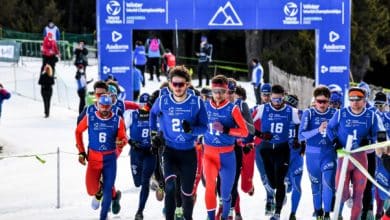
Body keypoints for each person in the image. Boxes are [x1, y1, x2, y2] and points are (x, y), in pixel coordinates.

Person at [149, 65, 208, 220]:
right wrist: (154, 134)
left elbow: (205, 128)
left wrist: (192, 130)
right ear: (170, 84)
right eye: (174, 84)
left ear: (187, 84)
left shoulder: (196, 102)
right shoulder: (163, 101)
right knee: (170, 187)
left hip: (188, 153)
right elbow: (152, 114)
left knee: (187, 194)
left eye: (181, 84)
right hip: (170, 151)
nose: (177, 87)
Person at [327, 87, 383, 220]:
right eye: (352, 99)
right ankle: (347, 197)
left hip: (361, 158)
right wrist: (335, 141)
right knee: (341, 191)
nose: (355, 102)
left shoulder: (371, 115)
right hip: (344, 156)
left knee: (359, 195)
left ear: (364, 101)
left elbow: (380, 135)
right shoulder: (341, 113)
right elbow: (330, 127)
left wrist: (370, 141)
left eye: (358, 99)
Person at [75, 94, 127, 220]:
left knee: (108, 189)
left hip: (110, 159)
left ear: (111, 106)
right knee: (91, 190)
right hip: (94, 159)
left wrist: (121, 142)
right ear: (97, 105)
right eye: (102, 106)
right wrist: (81, 152)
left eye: (107, 106)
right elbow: (78, 131)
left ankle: (103, 216)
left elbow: (124, 137)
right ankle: (98, 192)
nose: (104, 109)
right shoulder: (90, 117)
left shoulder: (117, 120)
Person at [252, 84, 301, 220]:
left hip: (282, 149)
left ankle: (277, 213)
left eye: (279, 100)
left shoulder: (291, 111)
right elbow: (247, 122)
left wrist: (298, 139)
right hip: (266, 149)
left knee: (279, 182)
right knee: (272, 183)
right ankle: (276, 193)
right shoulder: (262, 109)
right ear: (270, 98)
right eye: (274, 99)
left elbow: (301, 124)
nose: (276, 103)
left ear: (283, 98)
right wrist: (260, 135)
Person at [203, 75, 248, 220]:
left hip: (227, 155)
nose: (218, 95)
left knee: (226, 193)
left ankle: (224, 216)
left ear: (226, 91)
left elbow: (244, 131)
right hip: (209, 154)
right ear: (211, 90)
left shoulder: (232, 108)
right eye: (215, 91)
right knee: (210, 187)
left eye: (222, 91)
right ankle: (210, 218)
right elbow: (197, 125)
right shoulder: (204, 106)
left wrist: (226, 130)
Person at [298, 86, 337, 220]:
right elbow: (301, 136)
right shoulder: (308, 113)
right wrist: (318, 130)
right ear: (314, 100)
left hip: (328, 154)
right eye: (319, 101)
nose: (322, 104)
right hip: (312, 155)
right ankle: (319, 212)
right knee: (316, 188)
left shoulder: (334, 113)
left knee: (327, 185)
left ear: (329, 101)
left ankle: (327, 214)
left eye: (325, 102)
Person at [124, 93, 156, 220]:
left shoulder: (155, 116)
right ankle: (155, 179)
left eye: (146, 105)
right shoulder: (132, 114)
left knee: (144, 182)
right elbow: (122, 130)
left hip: (150, 151)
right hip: (136, 151)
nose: (144, 107)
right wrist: (130, 141)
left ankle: (139, 211)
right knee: (137, 182)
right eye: (142, 104)